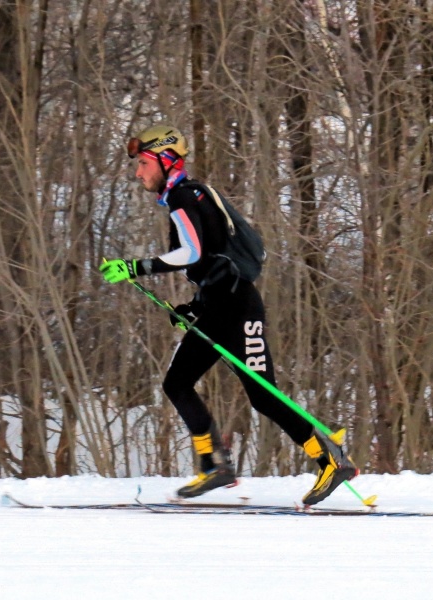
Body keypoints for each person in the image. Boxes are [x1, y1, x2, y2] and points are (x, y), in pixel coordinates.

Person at [100, 124, 357, 504]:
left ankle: (330, 460)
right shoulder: (186, 196)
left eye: (142, 163)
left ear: (164, 160)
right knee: (178, 383)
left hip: (237, 306)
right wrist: (194, 308)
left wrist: (135, 267)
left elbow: (192, 252)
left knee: (264, 395)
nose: (138, 172)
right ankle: (214, 465)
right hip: (219, 305)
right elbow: (213, 263)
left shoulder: (185, 196)